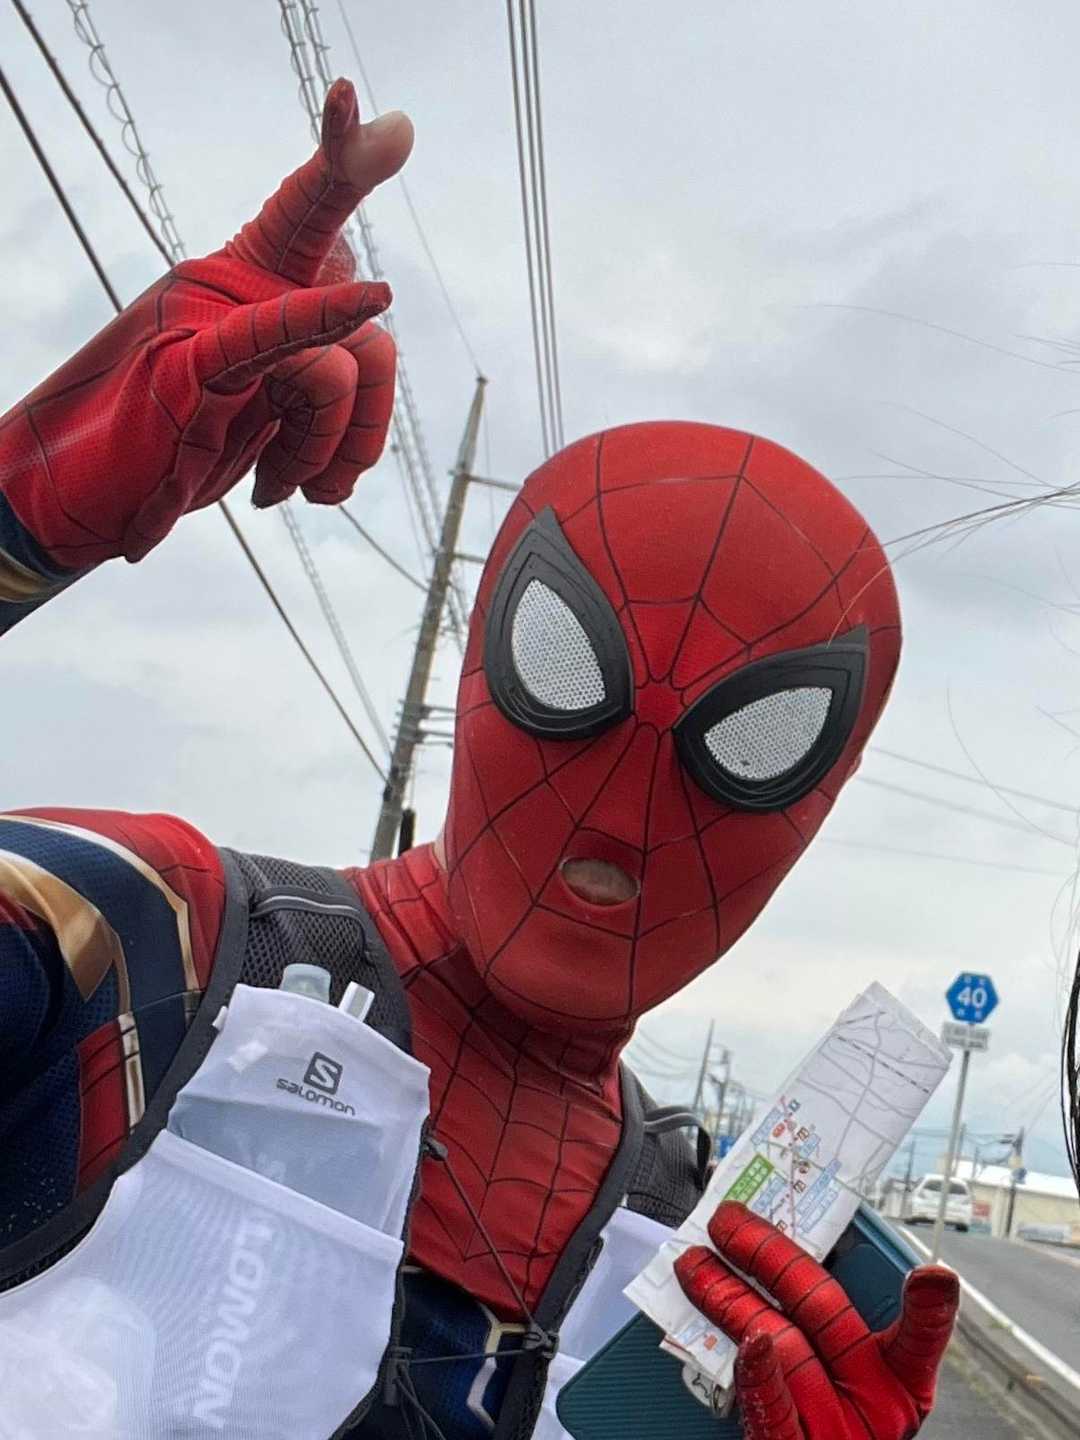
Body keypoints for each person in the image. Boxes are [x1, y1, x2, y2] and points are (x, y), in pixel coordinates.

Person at [0, 78, 958, 1440]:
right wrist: (27, 507)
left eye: (754, 741)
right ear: (476, 663)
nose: (625, 805)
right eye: (566, 669)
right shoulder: (153, 942)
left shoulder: (689, 1271)